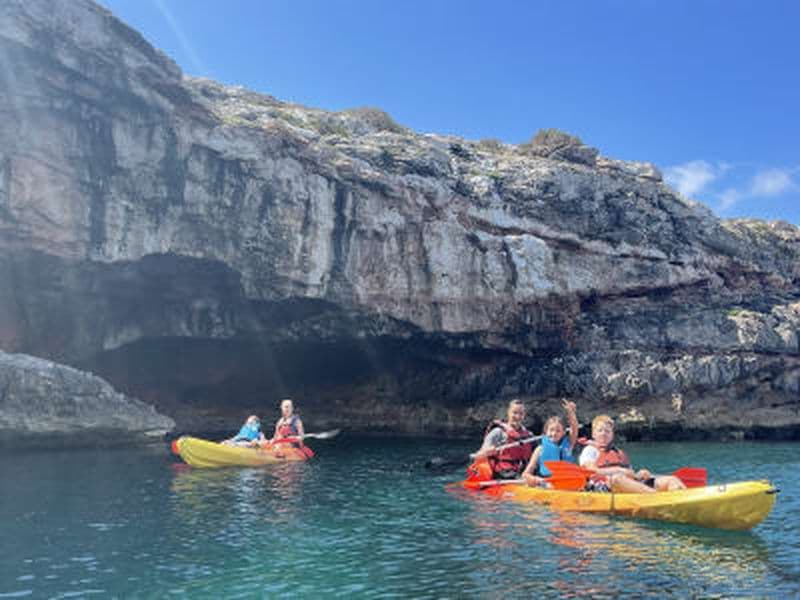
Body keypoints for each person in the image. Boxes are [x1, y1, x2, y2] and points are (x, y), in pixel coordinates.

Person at [579, 415, 685, 493]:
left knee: (671, 480)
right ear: (593, 434)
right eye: (600, 430)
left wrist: (639, 475)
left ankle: (683, 499)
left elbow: (629, 474)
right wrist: (619, 470)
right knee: (617, 478)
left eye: (607, 431)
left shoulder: (619, 453)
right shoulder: (590, 450)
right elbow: (591, 471)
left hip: (629, 486)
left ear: (612, 435)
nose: (603, 433)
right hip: (604, 487)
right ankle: (659, 499)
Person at [471, 399, 534, 480]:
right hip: (504, 473)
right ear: (508, 413)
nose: (518, 416)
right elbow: (480, 454)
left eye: (521, 413)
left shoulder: (529, 436)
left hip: (524, 472)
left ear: (524, 415)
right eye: (514, 413)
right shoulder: (497, 432)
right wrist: (486, 452)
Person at [522, 399, 579, 486]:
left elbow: (574, 429)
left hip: (565, 482)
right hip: (546, 483)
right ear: (546, 432)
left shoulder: (569, 444)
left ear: (563, 433)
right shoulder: (539, 450)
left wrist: (571, 413)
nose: (554, 433)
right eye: (551, 430)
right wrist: (533, 478)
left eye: (558, 431)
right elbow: (525, 474)